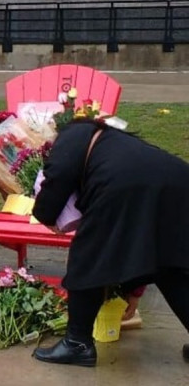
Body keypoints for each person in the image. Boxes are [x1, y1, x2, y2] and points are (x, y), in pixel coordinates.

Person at [31, 118, 189, 367]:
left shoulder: (70, 137)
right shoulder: (111, 140)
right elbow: (140, 251)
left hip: (126, 188)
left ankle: (77, 344)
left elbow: (57, 176)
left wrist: (44, 214)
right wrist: (133, 289)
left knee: (88, 256)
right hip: (178, 182)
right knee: (170, 267)